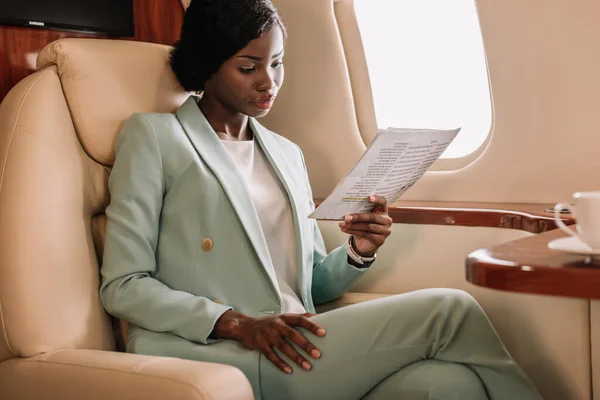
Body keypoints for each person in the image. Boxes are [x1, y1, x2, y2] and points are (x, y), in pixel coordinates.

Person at [100, 0, 544, 399]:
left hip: (298, 340)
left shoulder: (285, 153)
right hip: (224, 349)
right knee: (451, 308)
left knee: (450, 385)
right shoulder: (156, 138)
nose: (268, 82)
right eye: (249, 67)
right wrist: (237, 323)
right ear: (209, 64)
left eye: (277, 64)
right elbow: (124, 285)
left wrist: (358, 250)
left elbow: (312, 285)